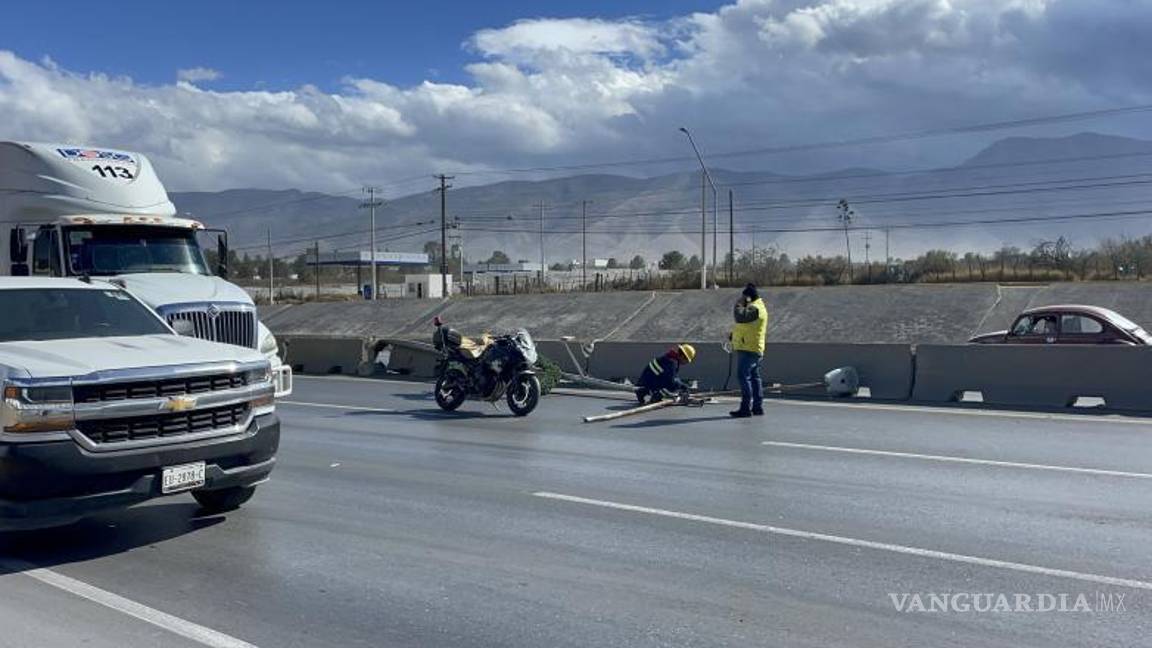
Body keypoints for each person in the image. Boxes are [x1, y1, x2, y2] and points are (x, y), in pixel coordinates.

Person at [730, 283, 768, 418]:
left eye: (744, 297)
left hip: (748, 349)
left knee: (743, 376)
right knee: (754, 377)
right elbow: (747, 327)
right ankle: (757, 407)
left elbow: (740, 317)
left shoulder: (755, 309)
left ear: (748, 297)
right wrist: (734, 336)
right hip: (753, 347)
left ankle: (745, 408)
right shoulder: (758, 307)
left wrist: (738, 304)